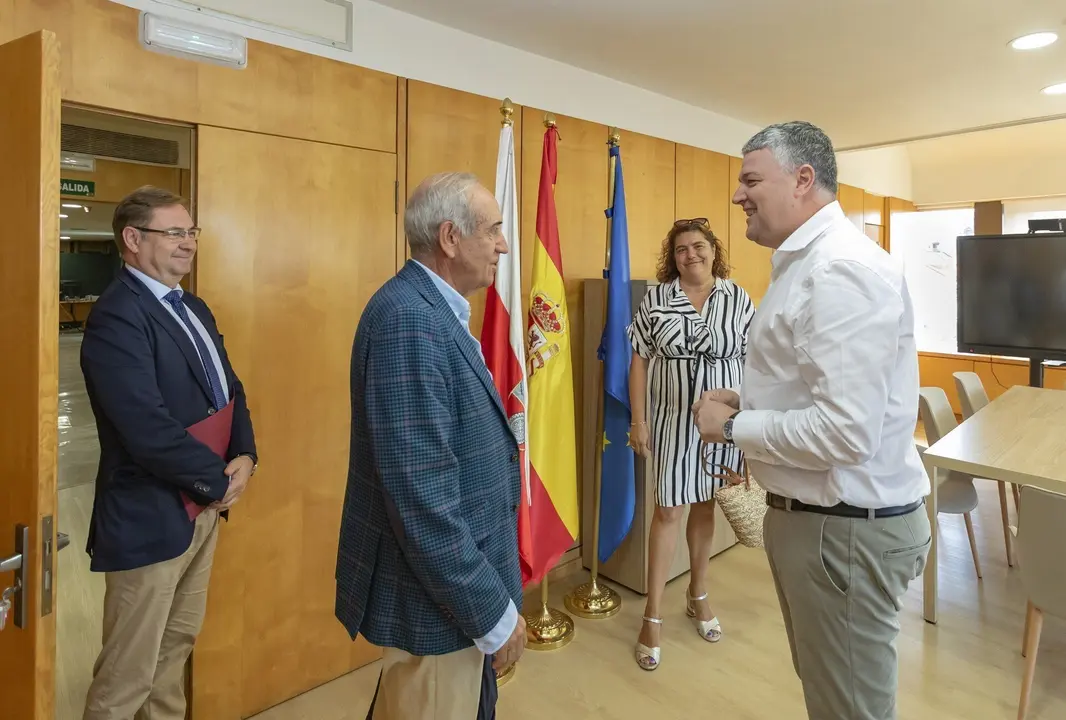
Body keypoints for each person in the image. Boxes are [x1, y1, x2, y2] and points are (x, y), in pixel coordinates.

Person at [692, 121, 930, 720]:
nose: (737, 195)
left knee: (848, 707)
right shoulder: (804, 263)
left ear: (803, 180)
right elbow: (819, 390)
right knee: (832, 693)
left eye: (750, 180)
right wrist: (751, 404)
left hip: (843, 532)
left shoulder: (838, 270)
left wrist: (731, 428)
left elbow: (845, 434)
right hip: (825, 527)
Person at [334, 171, 526, 720]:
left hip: (450, 590)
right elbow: (422, 499)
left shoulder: (434, 310)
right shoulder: (409, 322)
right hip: (435, 602)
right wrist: (492, 613)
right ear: (450, 237)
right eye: (493, 230)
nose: (504, 244)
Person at [81, 186, 257, 720]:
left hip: (200, 510)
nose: (188, 244)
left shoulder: (193, 306)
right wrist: (215, 480)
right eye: (174, 233)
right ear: (132, 240)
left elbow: (231, 390)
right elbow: (145, 427)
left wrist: (245, 454)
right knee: (125, 677)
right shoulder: (116, 317)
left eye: (191, 232)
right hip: (151, 516)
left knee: (173, 652)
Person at [627, 219, 754, 670]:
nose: (691, 255)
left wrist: (748, 420)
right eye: (681, 249)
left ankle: (698, 595)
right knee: (668, 511)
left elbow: (753, 362)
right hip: (671, 422)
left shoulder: (737, 297)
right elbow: (639, 360)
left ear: (713, 250)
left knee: (706, 505)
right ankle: (652, 615)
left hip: (723, 424)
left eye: (698, 246)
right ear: (672, 256)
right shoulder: (658, 298)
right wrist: (637, 420)